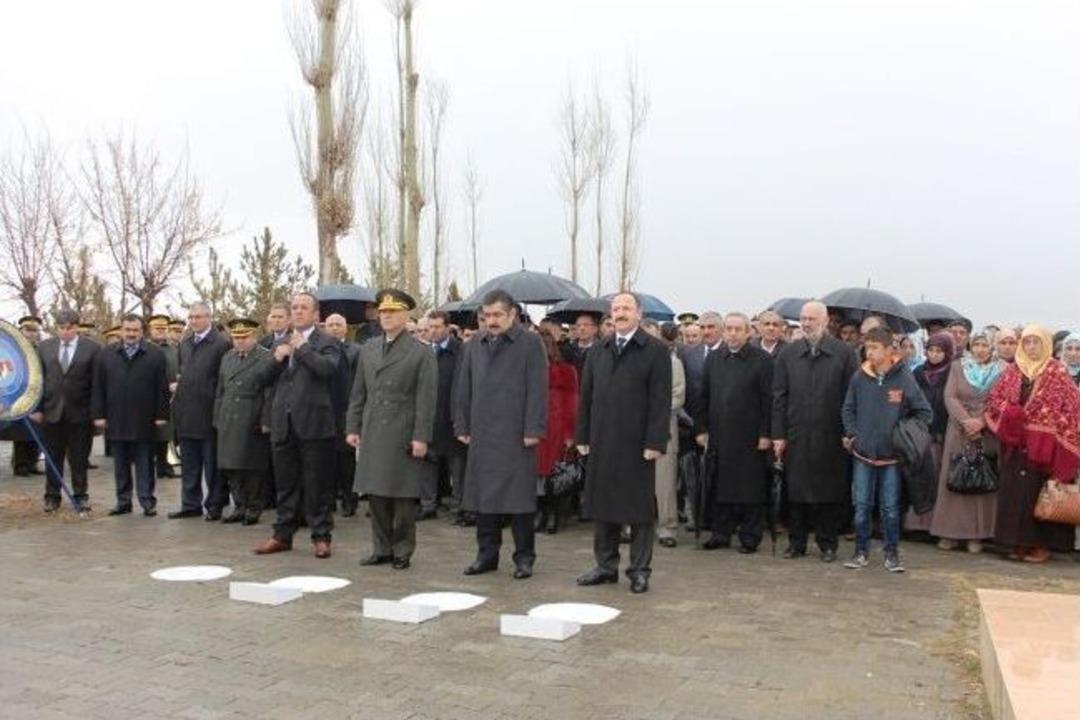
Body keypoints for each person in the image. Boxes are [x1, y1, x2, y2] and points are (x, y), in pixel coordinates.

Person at [575, 292, 672, 594]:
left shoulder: (655, 350)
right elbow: (586, 397)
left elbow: (660, 400)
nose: (620, 313)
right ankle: (605, 566)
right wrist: (583, 435)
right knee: (603, 506)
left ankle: (639, 570)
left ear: (638, 313)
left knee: (638, 509)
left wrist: (655, 440)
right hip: (603, 440)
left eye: (626, 308)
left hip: (637, 444)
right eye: (616, 308)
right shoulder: (599, 350)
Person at [454, 290, 548, 579]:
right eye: (487, 316)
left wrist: (534, 428)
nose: (491, 321)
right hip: (482, 432)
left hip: (516, 433)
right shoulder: (473, 345)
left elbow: (538, 388)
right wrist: (462, 425)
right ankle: (487, 555)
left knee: (519, 501)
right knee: (485, 500)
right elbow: (463, 387)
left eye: (497, 315)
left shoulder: (530, 343)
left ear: (511, 315)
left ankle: (524, 557)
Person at [347, 290, 437, 571]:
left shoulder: (420, 351)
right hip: (374, 429)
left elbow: (426, 399)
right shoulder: (369, 348)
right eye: (383, 312)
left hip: (403, 429)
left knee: (402, 495)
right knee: (376, 494)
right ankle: (381, 548)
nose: (386, 317)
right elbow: (358, 392)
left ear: (405, 315)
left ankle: (402, 549)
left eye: (392, 312)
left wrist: (421, 437)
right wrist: (353, 425)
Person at [253, 292, 342, 559]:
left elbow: (327, 369)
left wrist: (302, 348)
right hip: (284, 422)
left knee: (317, 484)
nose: (299, 311)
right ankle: (282, 535)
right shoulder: (277, 342)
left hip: (314, 423)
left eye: (304, 307)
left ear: (316, 314)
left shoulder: (326, 341)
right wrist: (276, 358)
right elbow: (260, 380)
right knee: (285, 484)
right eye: (295, 307)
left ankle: (321, 536)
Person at [772, 301, 859, 562]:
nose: (806, 323)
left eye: (811, 318)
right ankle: (796, 542)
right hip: (796, 433)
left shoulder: (843, 353)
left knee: (828, 492)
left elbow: (851, 397)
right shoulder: (788, 353)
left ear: (825, 321)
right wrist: (778, 434)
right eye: (803, 318)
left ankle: (827, 543)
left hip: (831, 434)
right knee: (795, 491)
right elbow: (779, 396)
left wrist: (849, 431)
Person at [841, 327, 933, 572]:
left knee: (890, 508)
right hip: (863, 454)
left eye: (874, 348)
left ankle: (891, 554)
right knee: (861, 506)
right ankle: (861, 552)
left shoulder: (904, 377)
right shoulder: (859, 377)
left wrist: (903, 433)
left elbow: (924, 412)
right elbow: (848, 409)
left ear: (889, 349)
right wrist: (853, 434)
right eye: (867, 348)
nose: (869, 353)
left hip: (892, 457)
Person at [985, 325, 1080, 563]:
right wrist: (1010, 412)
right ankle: (1017, 543)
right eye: (1026, 342)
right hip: (1016, 445)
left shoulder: (1057, 372)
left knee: (1040, 493)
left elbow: (1071, 409)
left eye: (1036, 342)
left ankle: (1041, 545)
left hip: (1045, 448)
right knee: (1016, 494)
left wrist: (1047, 425)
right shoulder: (1013, 371)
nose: (1031, 347)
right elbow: (995, 400)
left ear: (1046, 344)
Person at [693, 312, 774, 554]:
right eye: (728, 329)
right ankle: (721, 533)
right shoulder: (715, 359)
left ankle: (750, 536)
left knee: (750, 486)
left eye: (738, 329)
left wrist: (765, 433)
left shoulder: (762, 360)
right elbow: (703, 396)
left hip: (751, 436)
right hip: (720, 434)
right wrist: (701, 428)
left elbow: (768, 400)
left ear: (749, 332)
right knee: (720, 485)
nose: (733, 333)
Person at [929, 331, 1003, 552]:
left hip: (986, 431)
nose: (980, 349)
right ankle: (949, 533)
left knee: (981, 479)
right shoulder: (958, 366)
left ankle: (977, 536)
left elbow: (1002, 400)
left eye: (984, 345)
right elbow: (949, 396)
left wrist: (981, 421)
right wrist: (967, 421)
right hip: (959, 430)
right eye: (976, 344)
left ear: (991, 347)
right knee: (954, 477)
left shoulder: (1002, 370)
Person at [91, 314, 169, 517]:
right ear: (121, 331)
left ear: (142, 331)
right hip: (116, 417)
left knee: (144, 462)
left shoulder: (155, 354)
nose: (131, 334)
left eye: (135, 330)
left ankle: (147, 501)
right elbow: (98, 386)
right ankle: (123, 501)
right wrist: (99, 414)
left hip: (144, 417)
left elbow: (162, 387)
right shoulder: (106, 354)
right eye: (127, 330)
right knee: (120, 464)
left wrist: (161, 415)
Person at [31, 309, 101, 512]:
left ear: (77, 327)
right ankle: (52, 497)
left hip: (80, 413)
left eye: (69, 328)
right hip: (51, 413)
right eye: (61, 328)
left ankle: (81, 496)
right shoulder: (44, 348)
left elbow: (97, 384)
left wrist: (96, 414)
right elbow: (38, 381)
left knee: (79, 458)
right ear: (56, 328)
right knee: (53, 458)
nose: (65, 332)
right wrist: (37, 408)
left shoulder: (92, 349)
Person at [168, 302, 231, 521]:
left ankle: (214, 505)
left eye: (198, 317)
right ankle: (190, 503)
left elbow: (224, 380)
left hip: (208, 414)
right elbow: (181, 375)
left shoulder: (221, 344)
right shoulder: (185, 344)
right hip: (186, 414)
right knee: (190, 464)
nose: (193, 321)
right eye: (191, 317)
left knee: (211, 466)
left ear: (209, 318)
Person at [214, 319, 275, 525]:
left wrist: (266, 419)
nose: (239, 341)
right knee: (231, 466)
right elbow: (220, 390)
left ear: (254, 336)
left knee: (252, 466)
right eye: (236, 337)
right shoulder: (227, 357)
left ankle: (254, 507)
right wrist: (217, 417)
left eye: (244, 337)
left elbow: (269, 392)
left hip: (252, 415)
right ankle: (239, 505)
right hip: (229, 416)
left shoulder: (265, 357)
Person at [904, 332, 955, 532]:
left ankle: (935, 525)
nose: (934, 355)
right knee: (919, 477)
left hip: (941, 433)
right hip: (920, 433)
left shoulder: (952, 372)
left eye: (939, 351)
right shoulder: (918, 372)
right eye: (931, 350)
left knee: (937, 479)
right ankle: (916, 525)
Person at [643, 320, 685, 548]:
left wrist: (653, 410)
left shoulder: (673, 363)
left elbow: (678, 396)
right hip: (635, 431)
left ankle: (667, 527)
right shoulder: (632, 362)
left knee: (665, 483)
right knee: (636, 481)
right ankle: (633, 524)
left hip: (664, 429)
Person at [426, 311, 471, 525]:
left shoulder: (460, 351)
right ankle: (428, 504)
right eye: (430, 327)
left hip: (452, 418)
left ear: (447, 327)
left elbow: (464, 386)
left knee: (457, 466)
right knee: (428, 463)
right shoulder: (425, 352)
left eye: (437, 326)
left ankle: (458, 506)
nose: (433, 331)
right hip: (430, 418)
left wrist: (461, 419)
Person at [534, 330, 579, 535]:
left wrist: (570, 432)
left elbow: (573, 403)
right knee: (536, 474)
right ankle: (540, 512)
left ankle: (552, 514)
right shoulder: (528, 370)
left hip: (557, 427)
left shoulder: (566, 370)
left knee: (555, 473)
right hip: (536, 426)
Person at [324, 313, 362, 517]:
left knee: (346, 461)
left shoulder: (356, 351)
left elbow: (358, 382)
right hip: (323, 411)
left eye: (339, 324)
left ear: (346, 328)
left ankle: (350, 499)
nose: (334, 328)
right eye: (330, 325)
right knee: (326, 461)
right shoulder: (319, 350)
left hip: (346, 411)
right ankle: (328, 500)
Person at [10, 315, 44, 477]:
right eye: (28, 330)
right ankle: (20, 464)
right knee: (22, 431)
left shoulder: (41, 349)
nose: (31, 334)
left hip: (38, 394)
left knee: (37, 432)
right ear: (21, 331)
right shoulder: (14, 349)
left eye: (34, 331)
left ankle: (32, 463)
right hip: (20, 394)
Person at [147, 314, 179, 479]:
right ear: (150, 329)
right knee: (149, 436)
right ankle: (147, 468)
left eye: (163, 328)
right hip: (148, 400)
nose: (160, 331)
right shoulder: (144, 349)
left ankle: (164, 465)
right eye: (157, 328)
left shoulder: (174, 350)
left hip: (170, 400)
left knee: (166, 434)